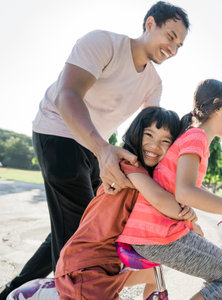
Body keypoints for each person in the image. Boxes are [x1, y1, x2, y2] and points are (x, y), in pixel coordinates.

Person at [0, 2, 189, 299]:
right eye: (171, 35)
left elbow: (146, 140)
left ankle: (13, 292)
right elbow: (67, 95)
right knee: (84, 239)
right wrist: (102, 149)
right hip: (58, 132)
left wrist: (168, 190)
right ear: (150, 24)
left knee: (82, 226)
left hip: (95, 146)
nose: (174, 47)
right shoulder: (103, 43)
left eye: (180, 44)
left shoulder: (153, 83)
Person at [117, 79, 222, 300]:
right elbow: (185, 192)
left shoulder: (194, 136)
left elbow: (189, 187)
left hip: (154, 232)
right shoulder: (197, 137)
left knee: (220, 273)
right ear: (219, 108)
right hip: (157, 234)